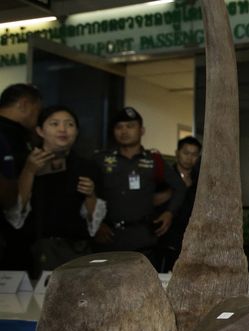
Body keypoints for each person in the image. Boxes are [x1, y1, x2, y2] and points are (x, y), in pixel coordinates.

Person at [3, 106, 105, 271]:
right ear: (40, 131)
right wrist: (29, 171)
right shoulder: (22, 161)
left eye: (69, 124)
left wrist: (90, 194)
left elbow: (94, 223)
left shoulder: (88, 167)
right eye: (54, 124)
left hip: (72, 254)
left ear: (77, 131)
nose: (62, 129)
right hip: (26, 253)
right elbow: (14, 212)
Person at [94, 107, 183, 269]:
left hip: (143, 240)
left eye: (130, 126)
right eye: (119, 127)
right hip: (109, 239)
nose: (124, 131)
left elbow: (180, 188)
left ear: (141, 130)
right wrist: (95, 224)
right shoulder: (100, 160)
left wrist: (169, 213)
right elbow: (88, 194)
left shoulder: (154, 161)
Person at [0, 83, 42, 273]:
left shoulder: (23, 135)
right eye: (37, 110)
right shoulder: (6, 134)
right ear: (24, 105)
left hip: (21, 235)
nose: (37, 117)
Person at [155, 136, 201, 272]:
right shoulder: (163, 178)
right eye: (186, 153)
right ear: (177, 153)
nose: (189, 158)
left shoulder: (201, 180)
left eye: (194, 154)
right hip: (166, 238)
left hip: (192, 239)